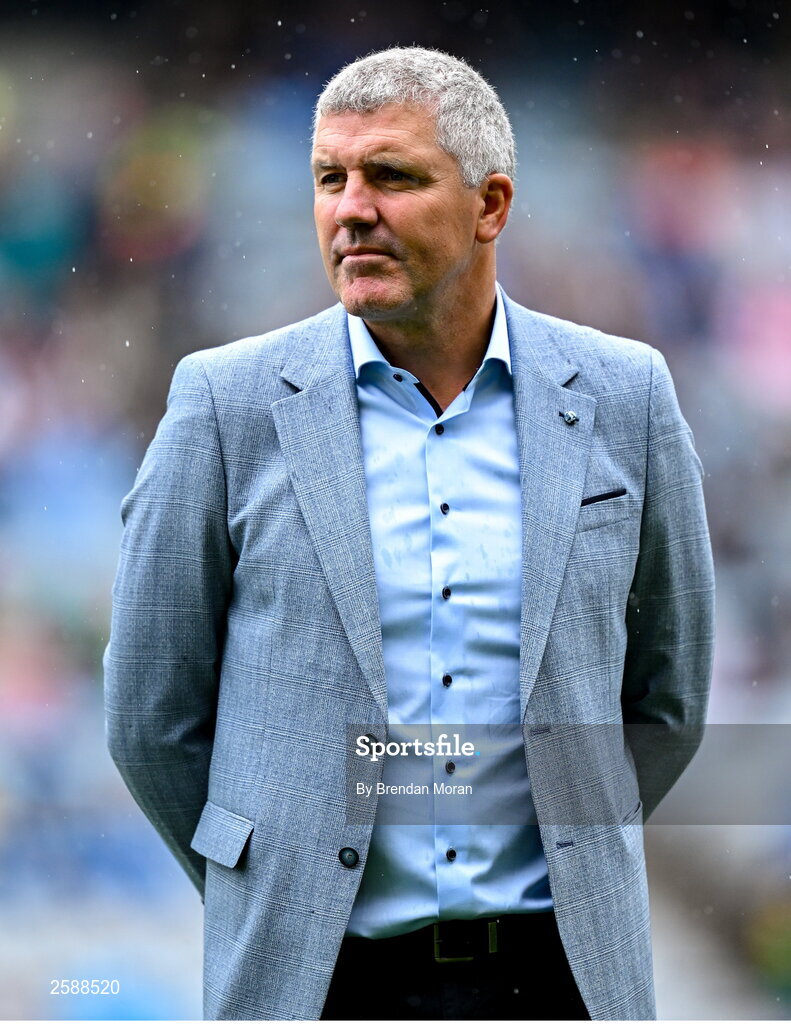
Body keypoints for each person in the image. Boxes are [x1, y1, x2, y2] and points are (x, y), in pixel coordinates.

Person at [103, 46, 715, 1021]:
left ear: (490, 205)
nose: (351, 208)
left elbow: (665, 700)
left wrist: (561, 841)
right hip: (320, 985)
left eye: (390, 176)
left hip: (560, 982)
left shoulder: (623, 395)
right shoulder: (222, 405)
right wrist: (277, 878)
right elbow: (148, 717)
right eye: (328, 179)